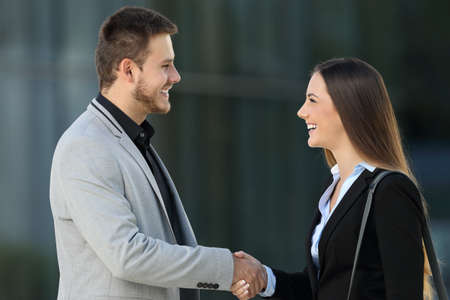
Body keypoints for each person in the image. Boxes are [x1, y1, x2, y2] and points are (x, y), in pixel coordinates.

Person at [49, 6, 266, 300]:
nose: (176, 76)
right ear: (128, 70)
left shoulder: (133, 139)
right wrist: (228, 268)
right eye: (165, 66)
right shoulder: (86, 147)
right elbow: (128, 254)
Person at [231, 57, 432, 300]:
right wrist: (264, 277)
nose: (301, 111)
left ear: (348, 107)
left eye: (312, 100)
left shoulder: (390, 190)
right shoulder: (335, 187)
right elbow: (319, 288)